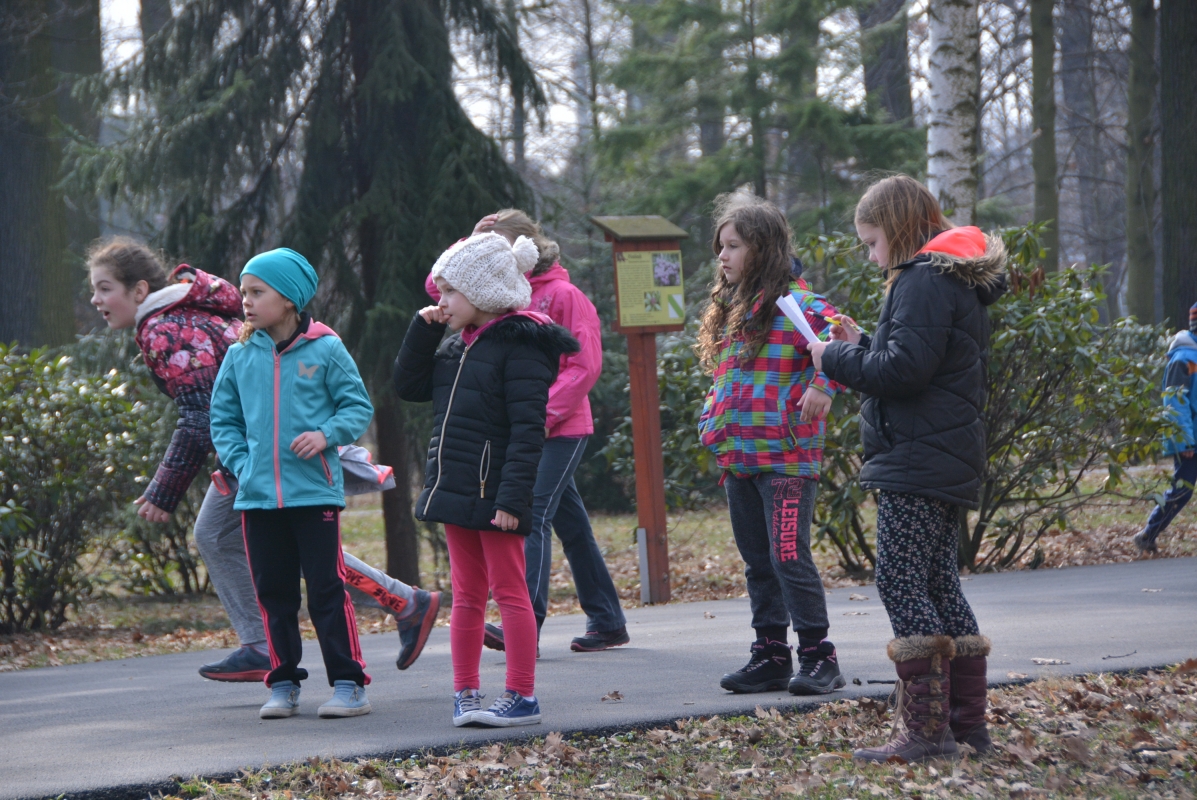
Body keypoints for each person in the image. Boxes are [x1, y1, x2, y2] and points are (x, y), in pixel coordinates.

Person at [87, 240, 440, 683]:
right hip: (255, 458)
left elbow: (199, 417)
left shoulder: (165, 329)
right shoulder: (181, 318)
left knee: (237, 538)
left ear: (139, 290)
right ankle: (403, 604)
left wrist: (165, 491)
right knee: (258, 542)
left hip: (273, 459)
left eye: (104, 289)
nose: (96, 300)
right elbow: (218, 410)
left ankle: (270, 644)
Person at [808, 175, 1008, 762]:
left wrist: (833, 356)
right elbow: (924, 361)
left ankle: (926, 732)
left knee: (899, 580)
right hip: (944, 453)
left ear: (896, 229)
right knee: (939, 582)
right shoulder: (951, 278)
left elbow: (904, 374)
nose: (872, 257)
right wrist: (864, 341)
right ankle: (968, 726)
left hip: (917, 458)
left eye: (872, 242)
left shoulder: (922, 278)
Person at [395, 233, 579, 728]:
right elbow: (408, 386)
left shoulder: (523, 345)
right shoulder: (458, 345)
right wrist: (423, 329)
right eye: (440, 292)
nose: (441, 301)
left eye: (450, 292)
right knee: (468, 595)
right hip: (456, 488)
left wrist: (514, 499)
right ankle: (466, 692)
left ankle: (522, 694)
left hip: (498, 494)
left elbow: (528, 430)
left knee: (510, 592)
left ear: (484, 293)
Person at [426, 211, 628, 653]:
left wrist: (537, 415)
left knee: (527, 513)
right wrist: (472, 237)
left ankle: (525, 622)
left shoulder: (564, 295)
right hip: (517, 431)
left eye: (497, 244)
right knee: (572, 526)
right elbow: (439, 286)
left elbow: (584, 365)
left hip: (559, 427)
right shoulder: (494, 298)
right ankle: (608, 620)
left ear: (524, 248)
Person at [209, 247, 377, 719]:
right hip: (257, 498)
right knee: (274, 593)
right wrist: (243, 463)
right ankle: (282, 684)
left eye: (257, 292)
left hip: (315, 494)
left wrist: (326, 435)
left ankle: (349, 684)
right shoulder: (240, 354)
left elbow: (357, 408)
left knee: (326, 590)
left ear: (289, 299)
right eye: (244, 292)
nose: (246, 300)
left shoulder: (326, 348)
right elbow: (223, 419)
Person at [695, 193, 846, 696]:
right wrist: (711, 419)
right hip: (739, 459)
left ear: (762, 248)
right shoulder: (736, 312)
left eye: (733, 246)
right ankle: (770, 654)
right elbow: (726, 380)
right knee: (757, 560)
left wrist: (824, 385)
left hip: (787, 460)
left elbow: (849, 343)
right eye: (721, 247)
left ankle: (819, 656)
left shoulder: (800, 305)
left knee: (787, 555)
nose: (723, 257)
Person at [1132, 302, 1197, 554]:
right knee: (1182, 491)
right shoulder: (1184, 359)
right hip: (1190, 439)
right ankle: (1148, 534)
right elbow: (1175, 402)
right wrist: (1184, 441)